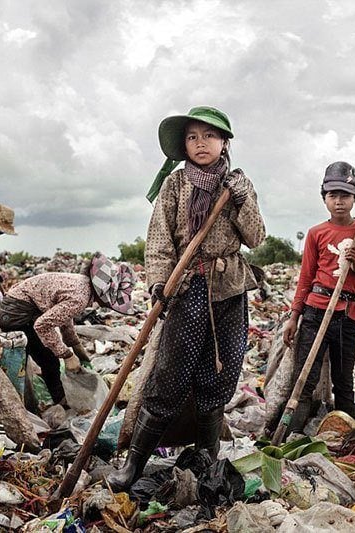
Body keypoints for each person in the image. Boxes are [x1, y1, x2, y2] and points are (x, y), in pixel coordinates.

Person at [107, 106, 265, 491]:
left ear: (224, 142)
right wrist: (159, 284)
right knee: (170, 377)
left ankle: (206, 459)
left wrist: (242, 201)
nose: (201, 144)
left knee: (220, 376)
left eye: (209, 136)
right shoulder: (175, 185)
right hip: (187, 287)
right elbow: (160, 240)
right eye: (193, 137)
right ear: (184, 145)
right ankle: (133, 465)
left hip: (228, 290)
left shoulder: (238, 185)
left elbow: (256, 237)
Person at [277, 162, 355, 433]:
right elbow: (305, 278)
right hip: (316, 311)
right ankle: (291, 436)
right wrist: (294, 317)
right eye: (333, 196)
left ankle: (351, 437)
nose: (339, 201)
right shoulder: (316, 233)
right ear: (324, 198)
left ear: (354, 197)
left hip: (348, 315)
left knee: (344, 383)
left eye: (345, 195)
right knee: (305, 380)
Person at [0, 253, 133, 406]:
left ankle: (29, 403)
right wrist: (66, 355)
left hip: (16, 309)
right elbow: (42, 325)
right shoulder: (80, 297)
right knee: (47, 361)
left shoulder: (82, 285)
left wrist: (74, 345)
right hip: (16, 315)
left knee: (30, 362)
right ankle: (57, 404)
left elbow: (64, 316)